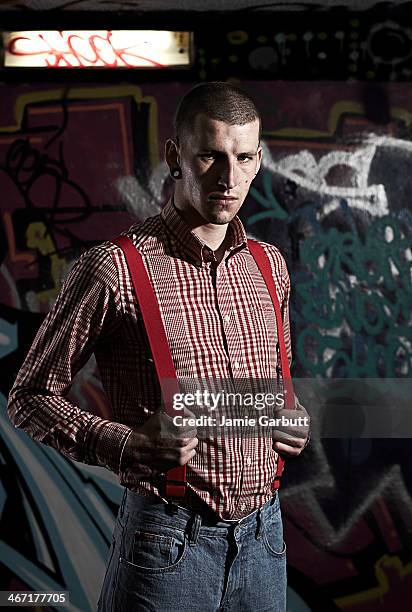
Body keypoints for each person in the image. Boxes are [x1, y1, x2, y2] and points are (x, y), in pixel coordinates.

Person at [8, 81, 310, 612]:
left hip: (265, 539)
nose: (229, 177)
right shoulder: (115, 268)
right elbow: (29, 396)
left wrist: (290, 413)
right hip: (168, 542)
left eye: (243, 158)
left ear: (259, 160)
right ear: (176, 155)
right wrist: (125, 445)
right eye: (210, 156)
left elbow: (271, 391)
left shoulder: (269, 266)